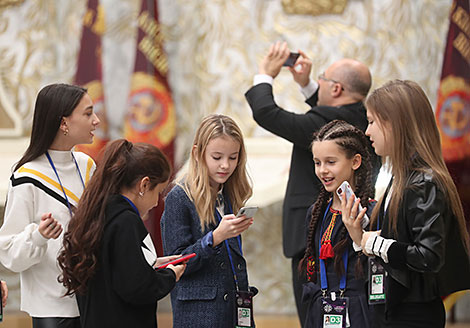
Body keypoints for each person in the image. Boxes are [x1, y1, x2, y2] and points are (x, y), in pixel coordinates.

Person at [244, 40, 380, 325]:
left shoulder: (327, 120)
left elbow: (266, 113)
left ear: (336, 89)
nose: (317, 81)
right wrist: (306, 85)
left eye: (322, 79)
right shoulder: (356, 116)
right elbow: (324, 114)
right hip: (348, 232)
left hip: (317, 231)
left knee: (314, 308)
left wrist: (265, 74)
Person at [341, 80, 470, 327]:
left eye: (371, 121)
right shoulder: (403, 176)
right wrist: (363, 233)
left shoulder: (424, 181)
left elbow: (429, 255)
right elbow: (402, 238)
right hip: (393, 306)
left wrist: (373, 241)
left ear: (393, 123)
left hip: (413, 315)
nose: (367, 132)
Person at [0, 83, 99, 328]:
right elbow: (9, 254)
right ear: (64, 123)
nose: (96, 120)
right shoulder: (27, 177)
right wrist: (39, 236)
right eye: (88, 113)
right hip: (53, 311)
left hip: (95, 301)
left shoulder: (87, 166)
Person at [58, 139, 185, 328]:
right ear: (143, 185)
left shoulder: (96, 213)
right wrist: (169, 275)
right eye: (158, 192)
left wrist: (151, 266)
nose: (157, 203)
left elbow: (115, 271)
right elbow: (137, 288)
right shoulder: (126, 221)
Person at [161, 114, 256, 328]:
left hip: (235, 310)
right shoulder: (179, 197)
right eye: (217, 157)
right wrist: (215, 238)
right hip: (199, 316)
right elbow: (176, 262)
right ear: (197, 153)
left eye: (233, 158)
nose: (225, 165)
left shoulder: (229, 194)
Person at [300, 120, 376, 328]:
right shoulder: (316, 212)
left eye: (331, 162)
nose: (322, 170)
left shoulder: (371, 211)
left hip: (358, 310)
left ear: (355, 161)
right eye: (317, 162)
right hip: (321, 309)